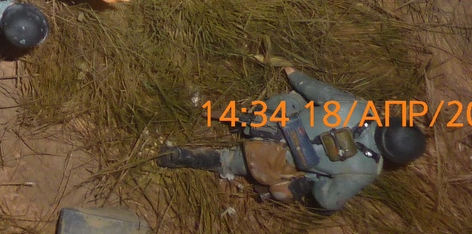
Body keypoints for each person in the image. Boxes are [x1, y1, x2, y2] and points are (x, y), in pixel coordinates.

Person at [156, 66, 427, 211]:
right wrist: (318, 180)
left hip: (272, 121)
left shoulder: (358, 107)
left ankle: (230, 116)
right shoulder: (367, 170)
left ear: (392, 122)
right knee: (229, 162)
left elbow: (315, 89)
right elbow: (327, 200)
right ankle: (184, 157)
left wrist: (292, 72)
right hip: (273, 161)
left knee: (293, 101)